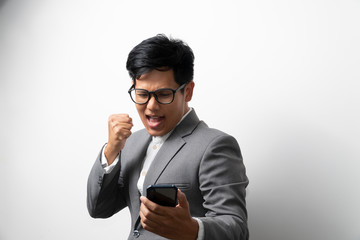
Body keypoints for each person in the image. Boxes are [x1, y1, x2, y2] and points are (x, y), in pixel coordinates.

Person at [87, 34, 249, 240]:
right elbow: (99, 209)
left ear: (187, 91)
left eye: (164, 94)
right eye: (142, 94)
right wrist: (111, 150)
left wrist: (192, 229)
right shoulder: (131, 143)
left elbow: (237, 229)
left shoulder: (215, 146)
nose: (151, 106)